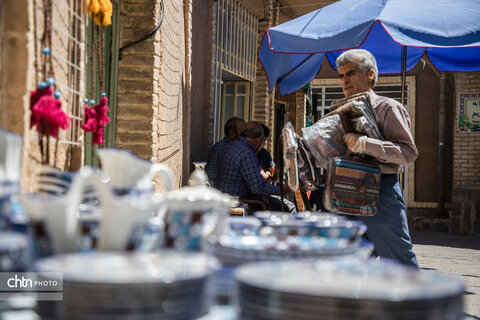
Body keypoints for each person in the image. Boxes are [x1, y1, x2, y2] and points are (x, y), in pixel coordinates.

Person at [335, 49, 419, 268]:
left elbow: (408, 153)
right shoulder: (340, 110)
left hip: (380, 191)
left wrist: (366, 144)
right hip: (345, 191)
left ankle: (412, 302)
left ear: (370, 74)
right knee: (352, 262)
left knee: (398, 261)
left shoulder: (388, 107)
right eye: (341, 76)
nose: (344, 80)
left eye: (350, 73)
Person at [216, 121, 295, 213]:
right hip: (239, 200)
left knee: (276, 201)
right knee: (290, 207)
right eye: (263, 140)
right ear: (259, 139)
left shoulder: (232, 146)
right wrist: (282, 190)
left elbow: (251, 182)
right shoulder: (247, 153)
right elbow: (258, 187)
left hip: (228, 197)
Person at [205, 117, 245, 187]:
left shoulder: (240, 149)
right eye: (242, 132)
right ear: (232, 133)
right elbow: (211, 177)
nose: (245, 136)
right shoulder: (220, 147)